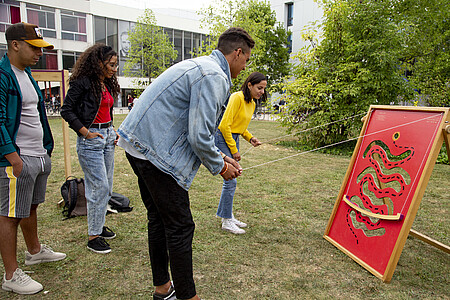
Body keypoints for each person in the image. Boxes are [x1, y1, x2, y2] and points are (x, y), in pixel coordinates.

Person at [117, 27, 254, 300]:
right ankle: (188, 297)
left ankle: (162, 288)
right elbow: (199, 135)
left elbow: (195, 127)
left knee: (159, 218)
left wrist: (222, 156)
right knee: (180, 226)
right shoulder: (214, 75)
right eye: (246, 59)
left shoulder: (202, 65)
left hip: (137, 145)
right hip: (154, 151)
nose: (245, 66)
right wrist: (220, 166)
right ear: (238, 53)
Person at [0, 22, 66, 295]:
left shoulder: (26, 73)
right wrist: (13, 158)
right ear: (15, 45)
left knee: (32, 206)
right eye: (34, 47)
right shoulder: (3, 75)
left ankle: (35, 251)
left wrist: (46, 148)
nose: (40, 53)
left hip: (38, 154)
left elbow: (36, 115)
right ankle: (11, 274)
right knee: (10, 215)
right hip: (18, 158)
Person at [60, 44, 120, 254]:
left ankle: (99, 225)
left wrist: (112, 129)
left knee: (107, 186)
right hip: (91, 140)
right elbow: (66, 110)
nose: (114, 69)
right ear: (98, 63)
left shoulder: (106, 84)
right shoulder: (83, 82)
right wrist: (85, 132)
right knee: (99, 187)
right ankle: (93, 236)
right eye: (110, 65)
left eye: (116, 65)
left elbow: (105, 109)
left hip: (107, 136)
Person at [215, 72, 266, 234]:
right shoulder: (236, 97)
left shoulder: (251, 103)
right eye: (259, 88)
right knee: (231, 179)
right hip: (223, 137)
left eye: (264, 89)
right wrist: (234, 151)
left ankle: (227, 215)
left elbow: (241, 127)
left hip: (233, 137)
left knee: (232, 178)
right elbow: (224, 126)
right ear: (249, 85)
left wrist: (251, 138)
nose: (262, 92)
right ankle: (226, 220)